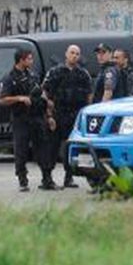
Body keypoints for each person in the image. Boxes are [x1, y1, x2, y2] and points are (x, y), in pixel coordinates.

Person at [0, 49, 54, 191]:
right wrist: (19, 98)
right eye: (29, 59)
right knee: (21, 150)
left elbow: (41, 93)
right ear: (21, 60)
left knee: (43, 148)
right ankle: (23, 180)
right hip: (21, 119)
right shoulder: (9, 78)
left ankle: (47, 179)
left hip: (37, 117)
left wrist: (48, 112)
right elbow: (2, 100)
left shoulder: (32, 75)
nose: (31, 61)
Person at [42, 45, 92, 188]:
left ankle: (68, 177)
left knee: (70, 148)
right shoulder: (55, 72)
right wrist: (49, 115)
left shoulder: (83, 74)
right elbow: (45, 93)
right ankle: (47, 179)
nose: (74, 56)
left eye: (77, 53)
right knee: (52, 147)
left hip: (75, 115)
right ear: (66, 54)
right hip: (58, 114)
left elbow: (89, 96)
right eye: (72, 53)